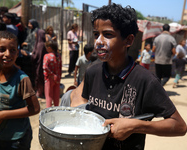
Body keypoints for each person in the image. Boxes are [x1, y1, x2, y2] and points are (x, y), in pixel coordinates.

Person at [81, 4, 186, 150]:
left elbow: (179, 126)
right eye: (96, 35)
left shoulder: (145, 80)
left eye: (108, 34)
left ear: (128, 40)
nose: (98, 41)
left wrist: (136, 126)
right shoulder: (92, 72)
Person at [0, 31, 40, 150]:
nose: (7, 54)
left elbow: (35, 108)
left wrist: (3, 115)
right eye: (2, 49)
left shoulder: (22, 79)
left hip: (17, 139)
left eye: (12, 50)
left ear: (17, 52)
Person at [43, 40, 62, 107]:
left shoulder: (46, 56)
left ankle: (49, 111)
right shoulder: (58, 56)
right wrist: (58, 77)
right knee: (56, 97)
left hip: (49, 79)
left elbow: (45, 67)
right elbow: (60, 68)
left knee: (48, 97)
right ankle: (56, 110)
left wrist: (51, 74)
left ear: (50, 48)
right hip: (57, 79)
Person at [31, 29, 47, 98]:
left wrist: (30, 55)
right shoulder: (42, 43)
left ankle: (40, 93)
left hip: (40, 65)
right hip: (41, 65)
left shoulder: (40, 45)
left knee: (39, 79)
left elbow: (37, 56)